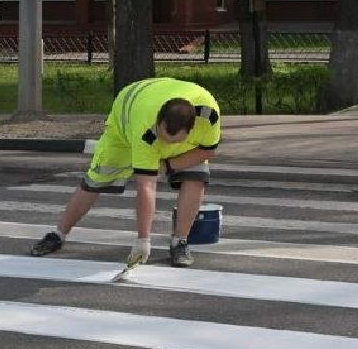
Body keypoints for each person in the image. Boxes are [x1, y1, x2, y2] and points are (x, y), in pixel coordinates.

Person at [30, 76, 221, 269]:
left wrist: (169, 164)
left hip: (167, 109)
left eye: (173, 141)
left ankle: (180, 242)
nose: (165, 143)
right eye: (162, 136)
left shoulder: (209, 116)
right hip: (125, 127)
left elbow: (208, 150)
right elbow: (146, 185)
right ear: (159, 120)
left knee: (196, 177)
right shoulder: (144, 127)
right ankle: (58, 234)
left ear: (191, 129)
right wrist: (143, 240)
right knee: (96, 180)